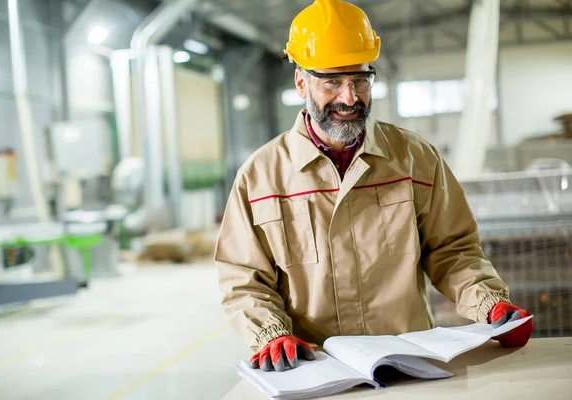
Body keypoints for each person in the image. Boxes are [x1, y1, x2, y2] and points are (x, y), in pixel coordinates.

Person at [214, 0, 534, 373]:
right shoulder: (261, 176)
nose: (349, 98)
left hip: (409, 363)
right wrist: (270, 333)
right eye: (332, 81)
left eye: (360, 80)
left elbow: (452, 251)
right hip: (315, 368)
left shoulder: (414, 159)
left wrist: (488, 303)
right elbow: (243, 279)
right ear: (301, 81)